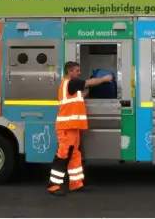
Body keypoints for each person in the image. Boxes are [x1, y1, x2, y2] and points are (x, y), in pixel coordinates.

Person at [47, 61, 114, 196]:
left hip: (73, 128)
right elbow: (89, 83)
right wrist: (104, 79)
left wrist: (94, 87)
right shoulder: (71, 83)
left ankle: (76, 184)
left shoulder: (71, 87)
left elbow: (82, 95)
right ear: (70, 72)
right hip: (66, 128)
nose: (79, 73)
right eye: (77, 71)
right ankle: (54, 185)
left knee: (75, 155)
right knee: (62, 156)